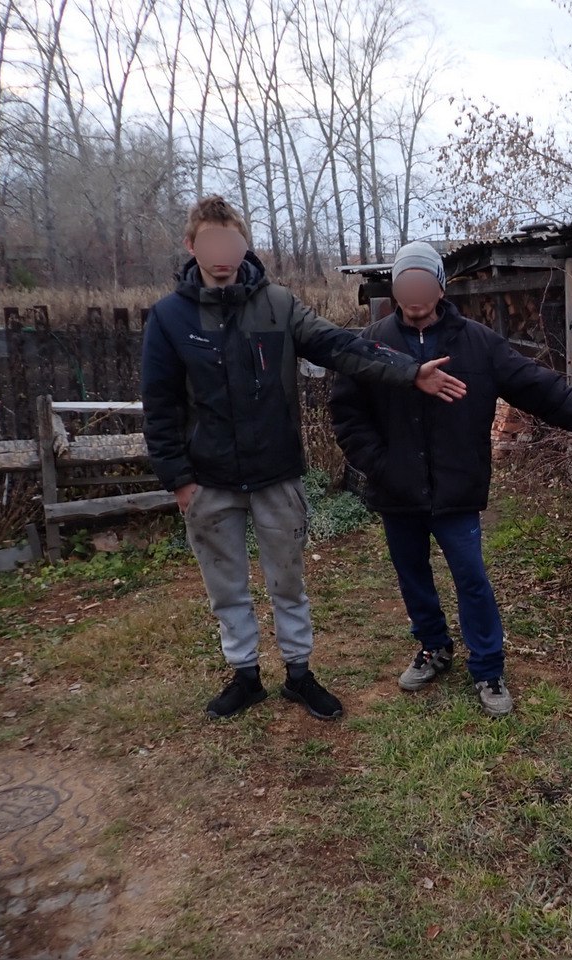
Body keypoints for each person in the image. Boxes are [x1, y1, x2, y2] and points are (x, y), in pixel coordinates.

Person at [141, 198, 466, 721]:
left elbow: (341, 347)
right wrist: (178, 479)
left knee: (287, 583)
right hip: (208, 480)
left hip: (276, 475)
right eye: (210, 242)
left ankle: (298, 674)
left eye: (231, 241)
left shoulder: (277, 304)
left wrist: (411, 371)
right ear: (191, 246)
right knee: (226, 588)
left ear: (244, 244)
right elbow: (158, 406)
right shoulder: (169, 317)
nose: (222, 253)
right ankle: (244, 676)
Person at [329, 241, 572, 717]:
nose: (415, 290)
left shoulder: (477, 342)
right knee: (412, 576)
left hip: (456, 487)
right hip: (397, 487)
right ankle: (433, 647)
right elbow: (346, 412)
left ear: (440, 286)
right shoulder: (373, 342)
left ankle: (488, 669)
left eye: (424, 280)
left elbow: (537, 386)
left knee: (471, 580)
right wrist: (379, 464)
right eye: (406, 281)